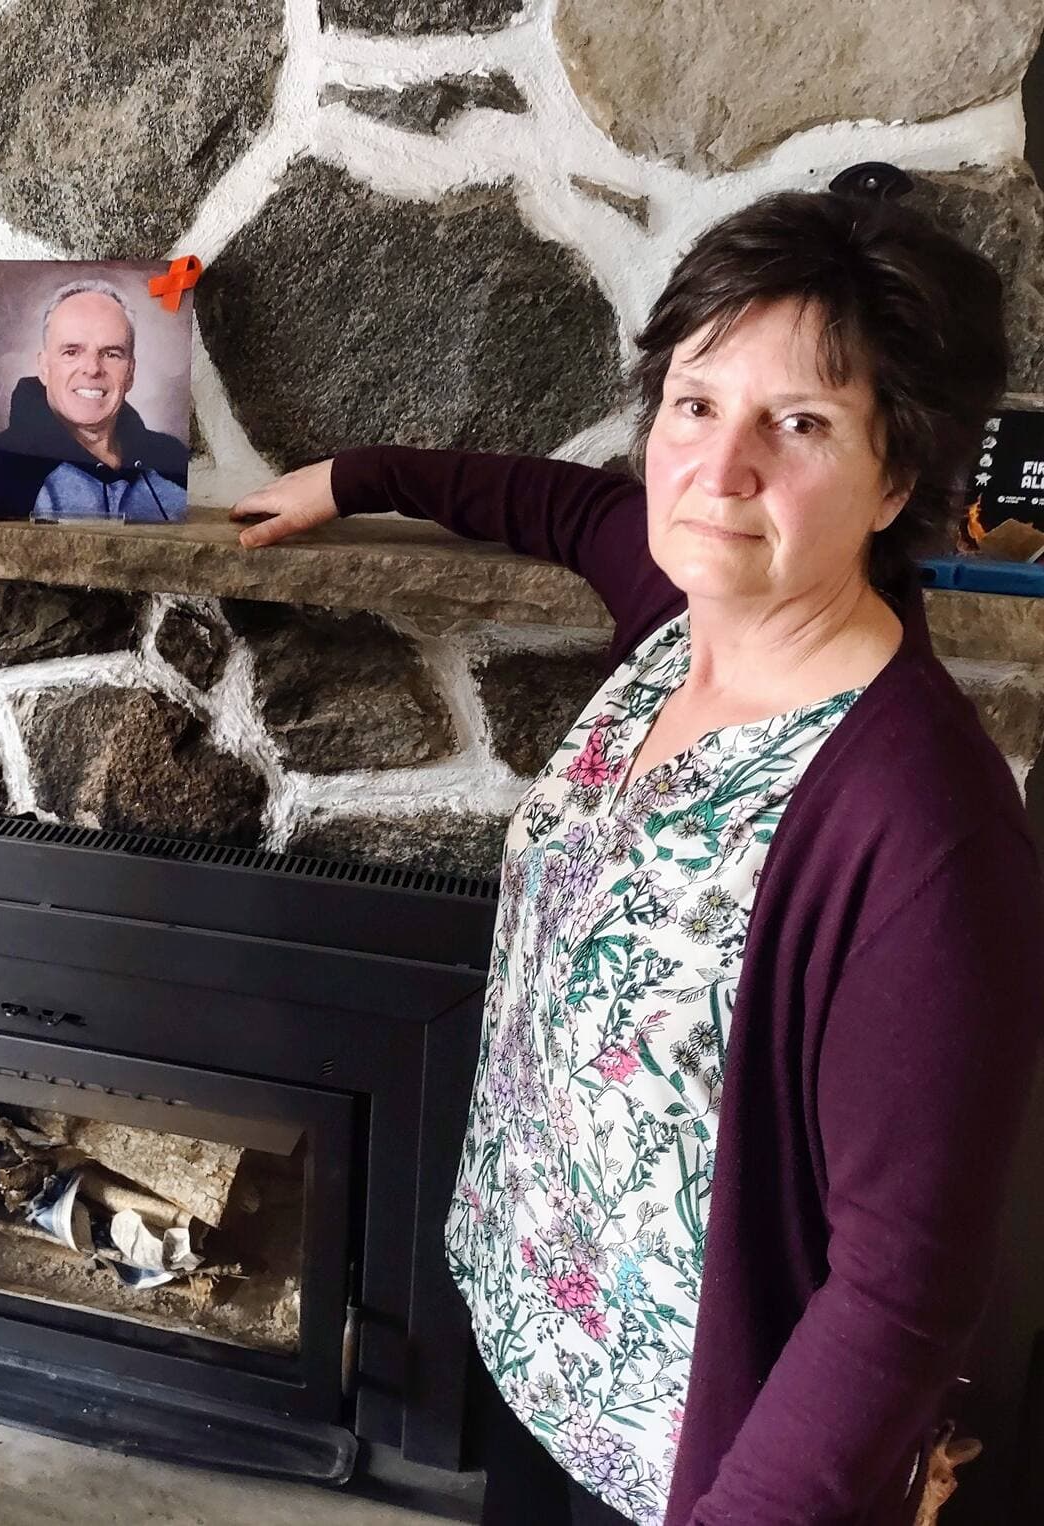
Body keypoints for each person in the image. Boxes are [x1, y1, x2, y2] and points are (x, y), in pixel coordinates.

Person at [232, 185, 1044, 1526]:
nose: (719, 471)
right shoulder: (678, 611)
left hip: (689, 1456)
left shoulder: (926, 833)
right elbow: (552, 503)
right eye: (694, 401)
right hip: (535, 1344)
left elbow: (899, 1294)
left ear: (899, 476)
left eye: (802, 424)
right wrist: (352, 476)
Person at [0, 280, 189, 522]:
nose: (92, 369)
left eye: (111, 353)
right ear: (44, 367)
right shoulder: (1, 467)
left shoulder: (172, 459)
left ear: (130, 372)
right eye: (72, 351)